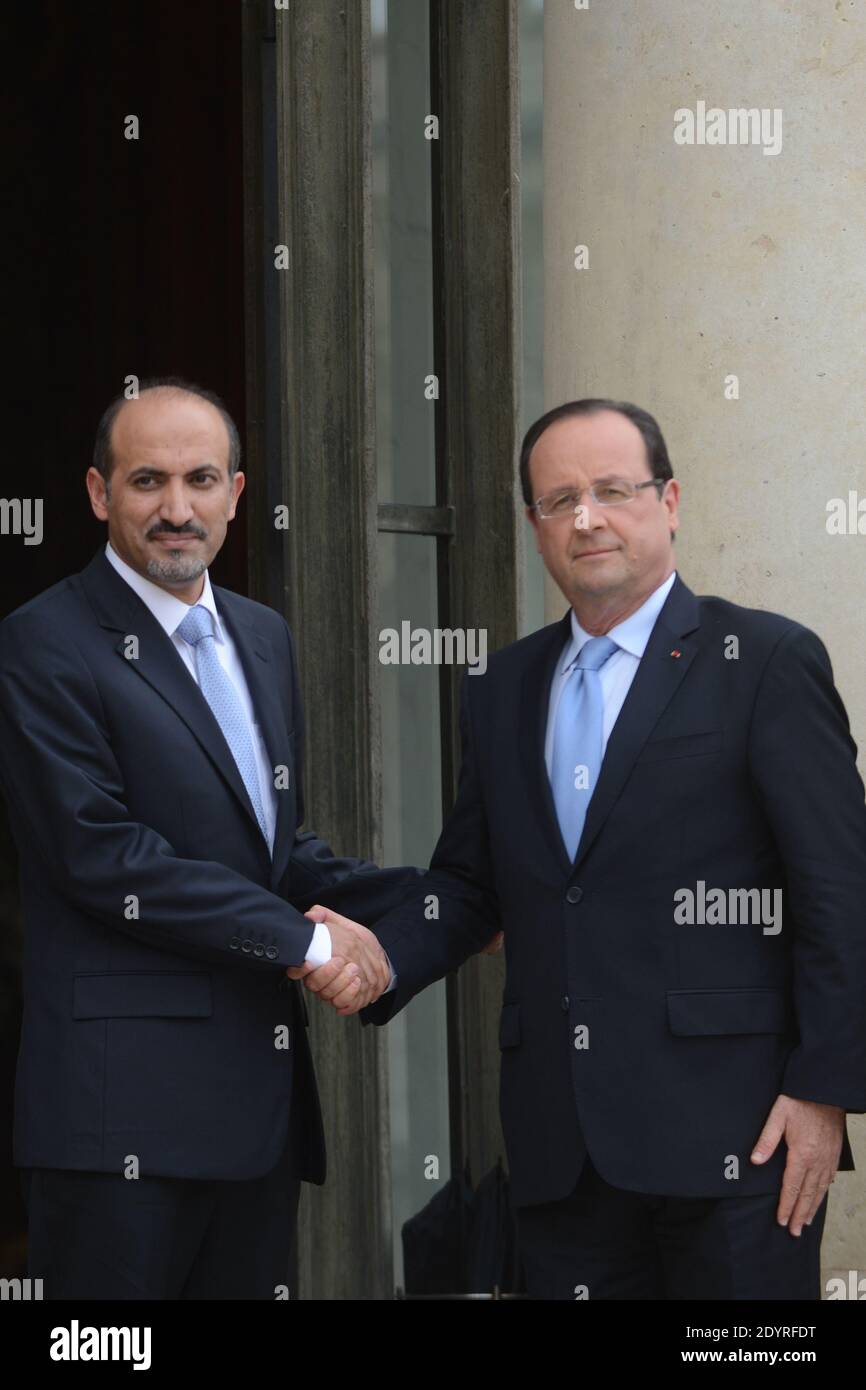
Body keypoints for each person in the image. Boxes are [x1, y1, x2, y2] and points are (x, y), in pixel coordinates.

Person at [299, 398, 866, 1300]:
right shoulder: (502, 688)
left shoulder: (763, 660)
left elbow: (840, 890)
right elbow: (473, 885)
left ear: (669, 500)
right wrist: (378, 956)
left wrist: (825, 1092)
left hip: (740, 1134)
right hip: (563, 1150)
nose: (586, 518)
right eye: (558, 500)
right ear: (533, 527)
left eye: (612, 490)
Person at [0, 377, 411, 1299]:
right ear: (100, 495)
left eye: (200, 479)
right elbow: (101, 853)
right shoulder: (43, 642)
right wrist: (312, 943)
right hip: (118, 1128)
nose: (176, 509)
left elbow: (272, 853)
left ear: (237, 491)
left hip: (252, 1119)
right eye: (147, 482)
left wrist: (438, 912)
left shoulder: (261, 637)